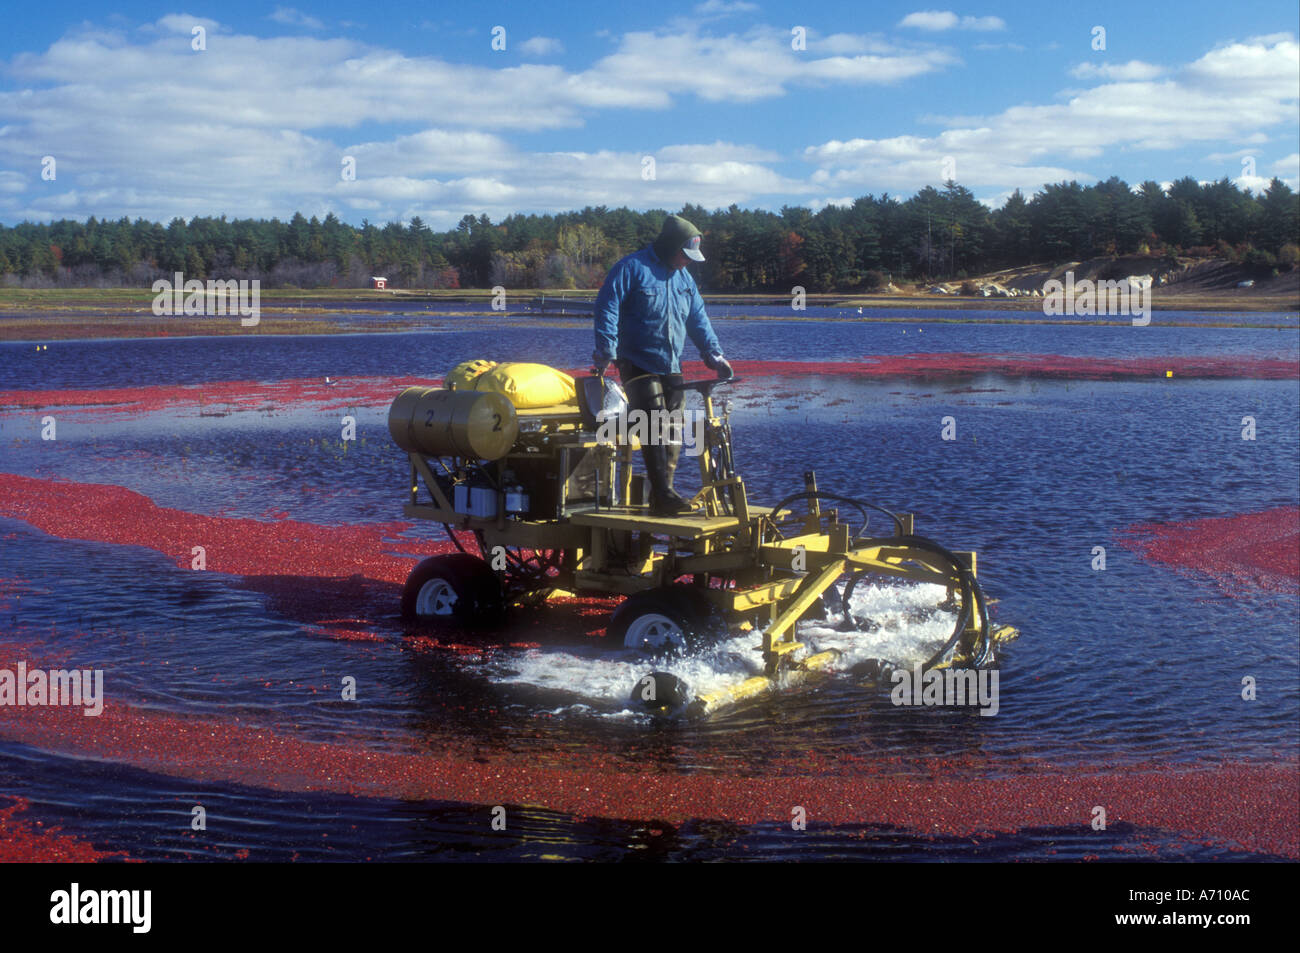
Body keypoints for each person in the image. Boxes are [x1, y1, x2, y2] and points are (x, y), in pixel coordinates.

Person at [592, 215, 733, 516]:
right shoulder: (631, 268)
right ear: (670, 247)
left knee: (673, 427)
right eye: (685, 255)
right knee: (653, 420)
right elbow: (607, 305)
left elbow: (697, 319)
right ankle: (664, 494)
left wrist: (714, 355)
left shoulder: (684, 279)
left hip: (670, 362)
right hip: (636, 359)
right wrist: (606, 348)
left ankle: (662, 495)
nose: (687, 262)